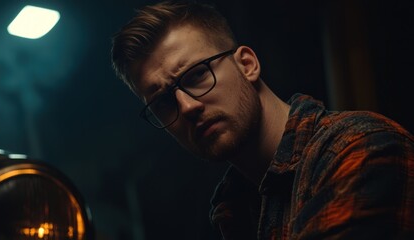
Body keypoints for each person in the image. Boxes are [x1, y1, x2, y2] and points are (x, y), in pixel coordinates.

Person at [110, 1, 414, 239]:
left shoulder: (362, 148)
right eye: (163, 101)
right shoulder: (235, 209)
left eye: (197, 75)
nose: (187, 106)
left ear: (247, 64)